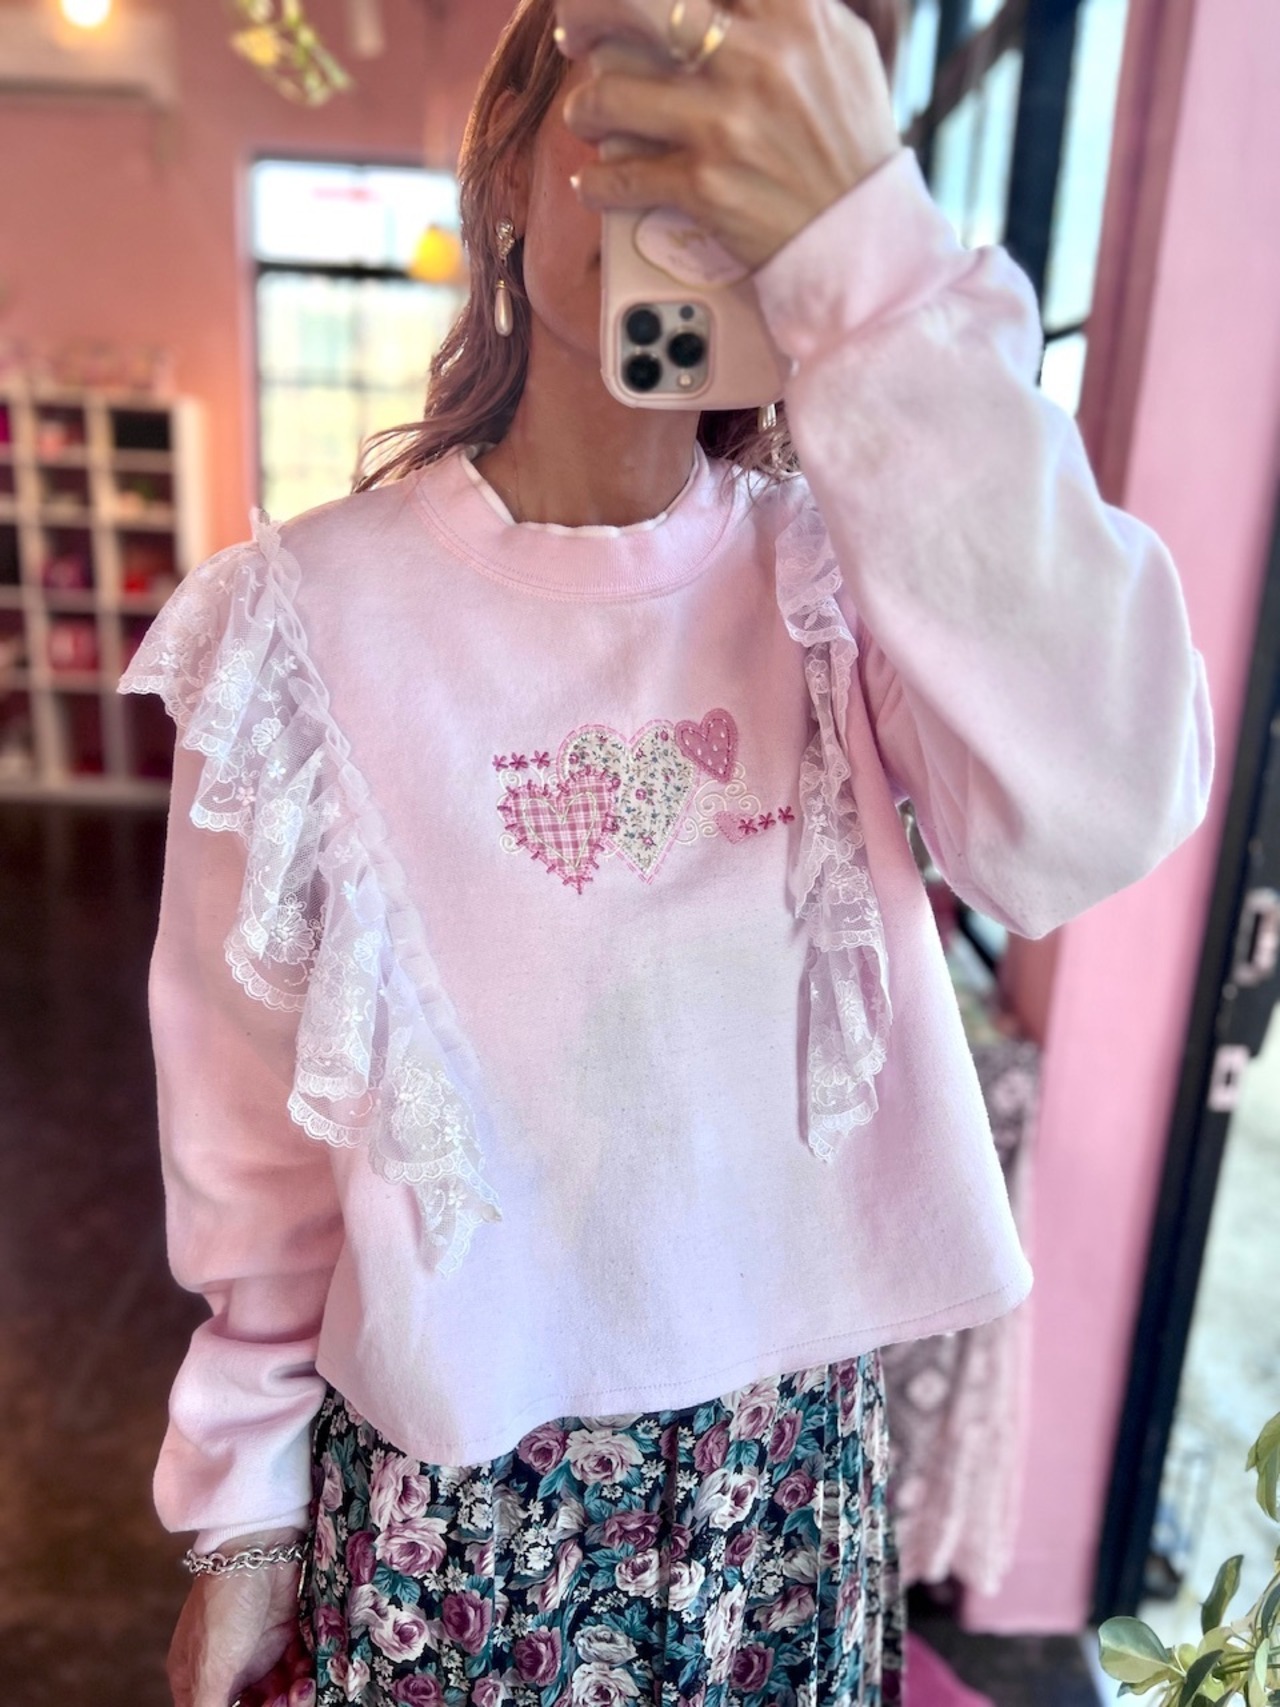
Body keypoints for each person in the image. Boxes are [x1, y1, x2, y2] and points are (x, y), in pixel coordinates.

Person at [118, 0, 1216, 1703]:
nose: (686, 161)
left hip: (787, 1487)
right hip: (459, 1515)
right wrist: (245, 1517)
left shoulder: (842, 581)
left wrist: (870, 269)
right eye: (637, 87)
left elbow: (1100, 803)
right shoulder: (297, 630)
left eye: (752, 112)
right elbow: (256, 1145)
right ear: (507, 165)